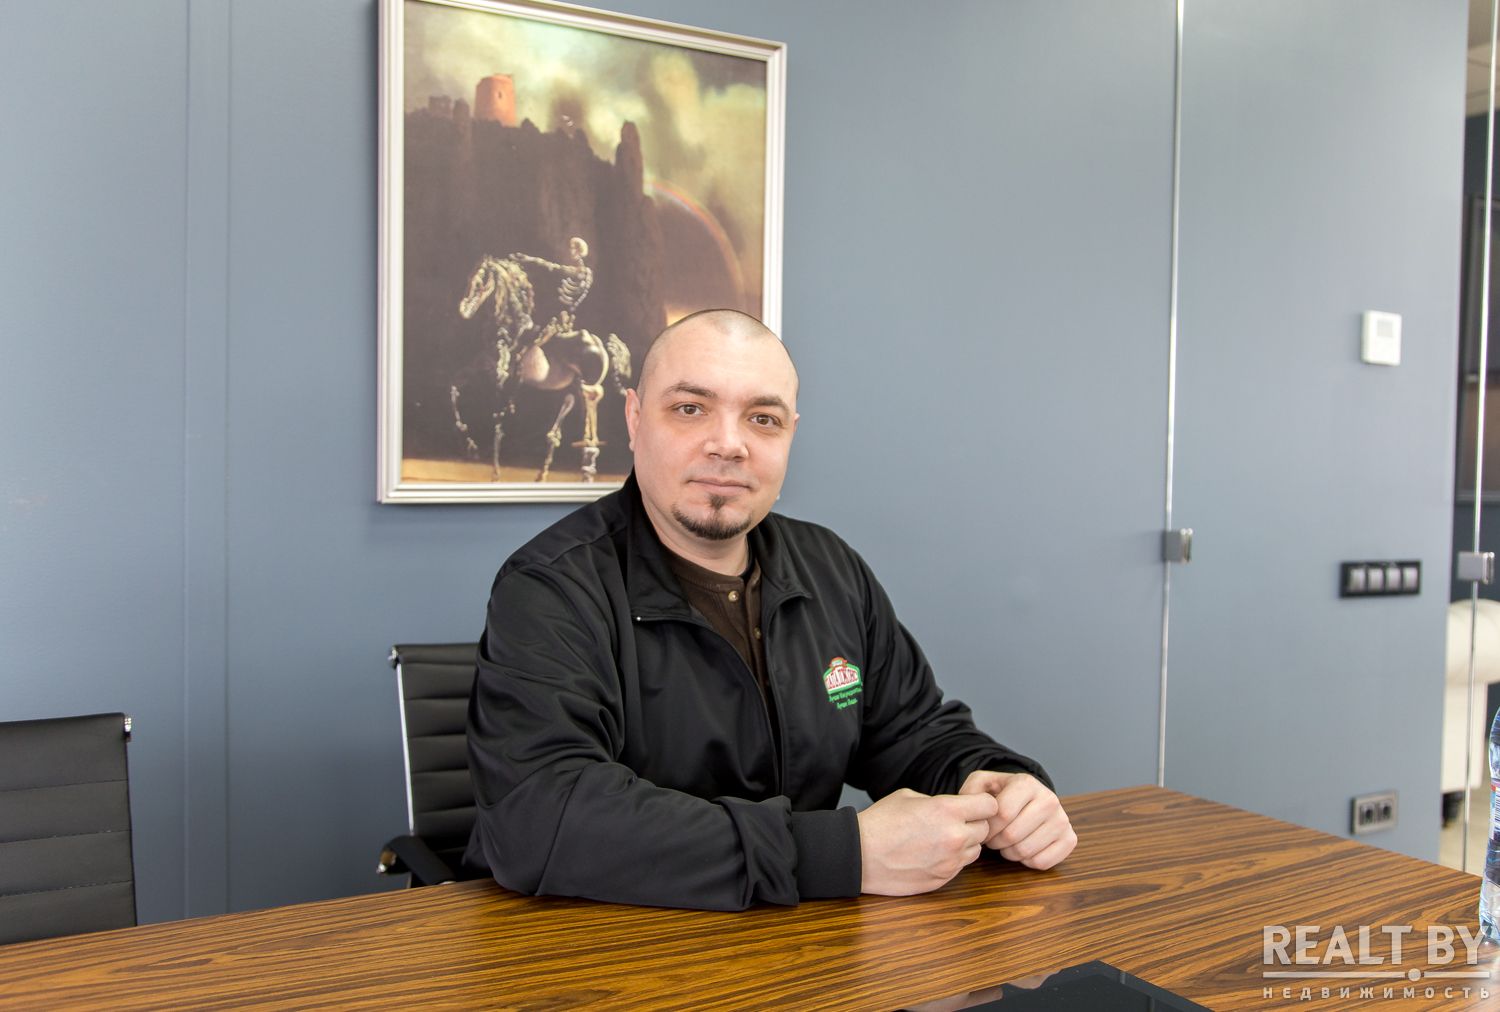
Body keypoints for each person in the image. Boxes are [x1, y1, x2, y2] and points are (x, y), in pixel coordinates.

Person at [463, 309, 1075, 910]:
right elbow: (542, 819)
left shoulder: (830, 569)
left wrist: (992, 781)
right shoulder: (550, 588)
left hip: (799, 942)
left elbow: (913, 732)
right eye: (690, 408)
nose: (729, 445)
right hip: (605, 948)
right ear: (634, 418)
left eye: (763, 418)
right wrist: (841, 852)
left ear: (790, 435)